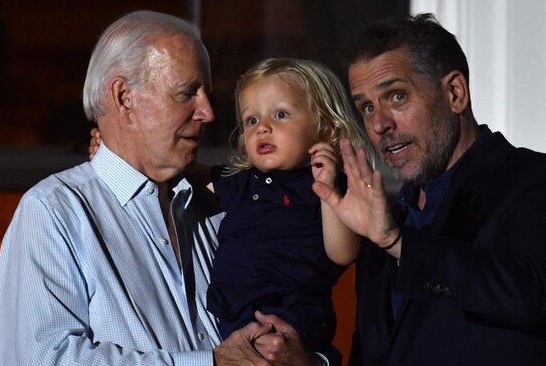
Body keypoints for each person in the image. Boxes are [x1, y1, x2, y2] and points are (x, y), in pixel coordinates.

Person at [0, 10, 320, 366]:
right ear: (124, 99)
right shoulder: (53, 212)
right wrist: (206, 362)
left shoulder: (220, 206)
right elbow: (41, 360)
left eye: (206, 94)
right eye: (186, 94)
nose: (208, 112)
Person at [312, 13, 546, 365]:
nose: (379, 123)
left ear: (455, 93)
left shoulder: (543, 180)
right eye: (367, 107)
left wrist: (396, 242)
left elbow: (525, 292)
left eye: (397, 96)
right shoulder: (388, 218)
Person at [89, 57, 374, 365]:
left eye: (280, 115)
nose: (263, 127)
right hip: (229, 317)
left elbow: (343, 253)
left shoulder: (330, 185)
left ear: (327, 129)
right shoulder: (243, 181)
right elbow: (185, 174)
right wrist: (123, 150)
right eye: (251, 120)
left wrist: (328, 192)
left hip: (291, 318)